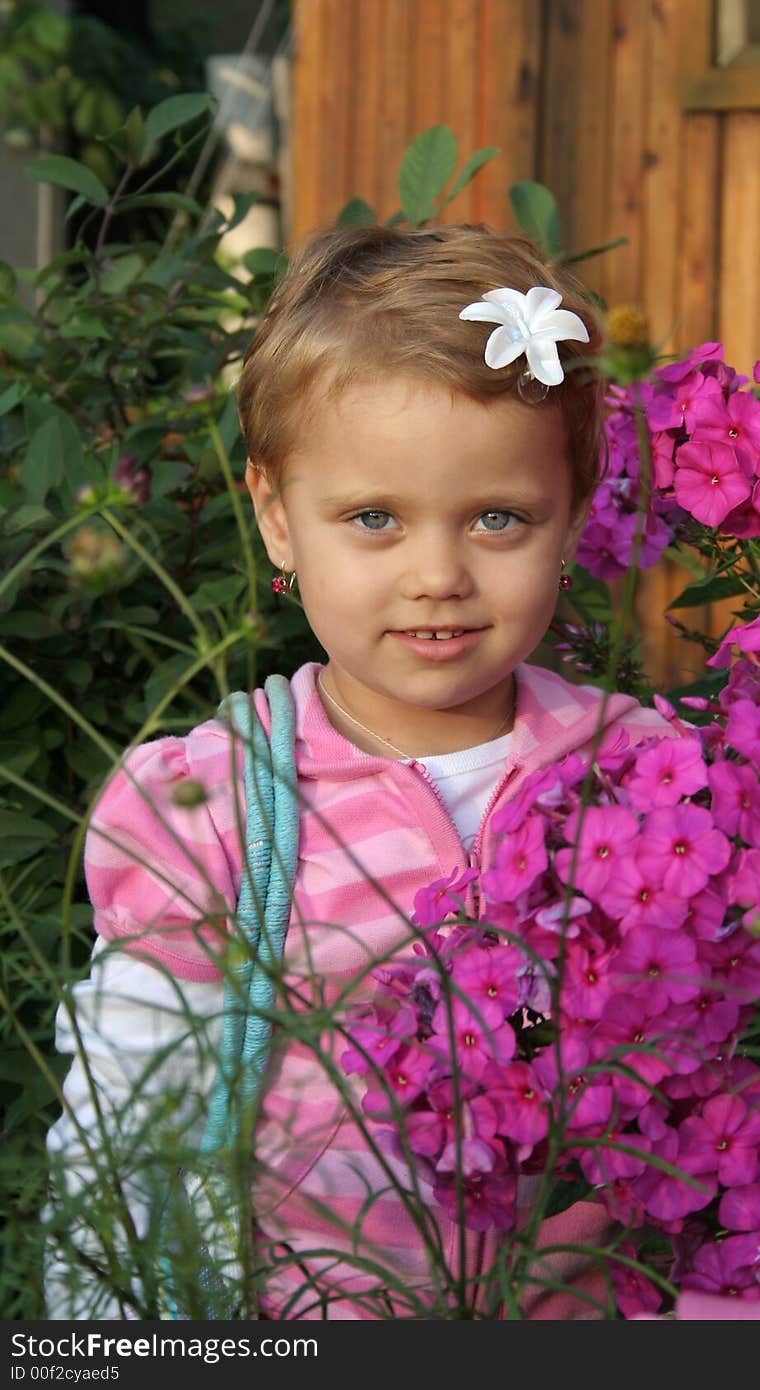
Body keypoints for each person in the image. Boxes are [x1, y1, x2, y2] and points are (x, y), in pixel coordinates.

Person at [44, 222, 677, 1321]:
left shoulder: (646, 775)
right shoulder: (214, 806)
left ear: (573, 514)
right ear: (278, 517)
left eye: (497, 517)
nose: (437, 574)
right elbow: (120, 1133)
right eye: (373, 518)